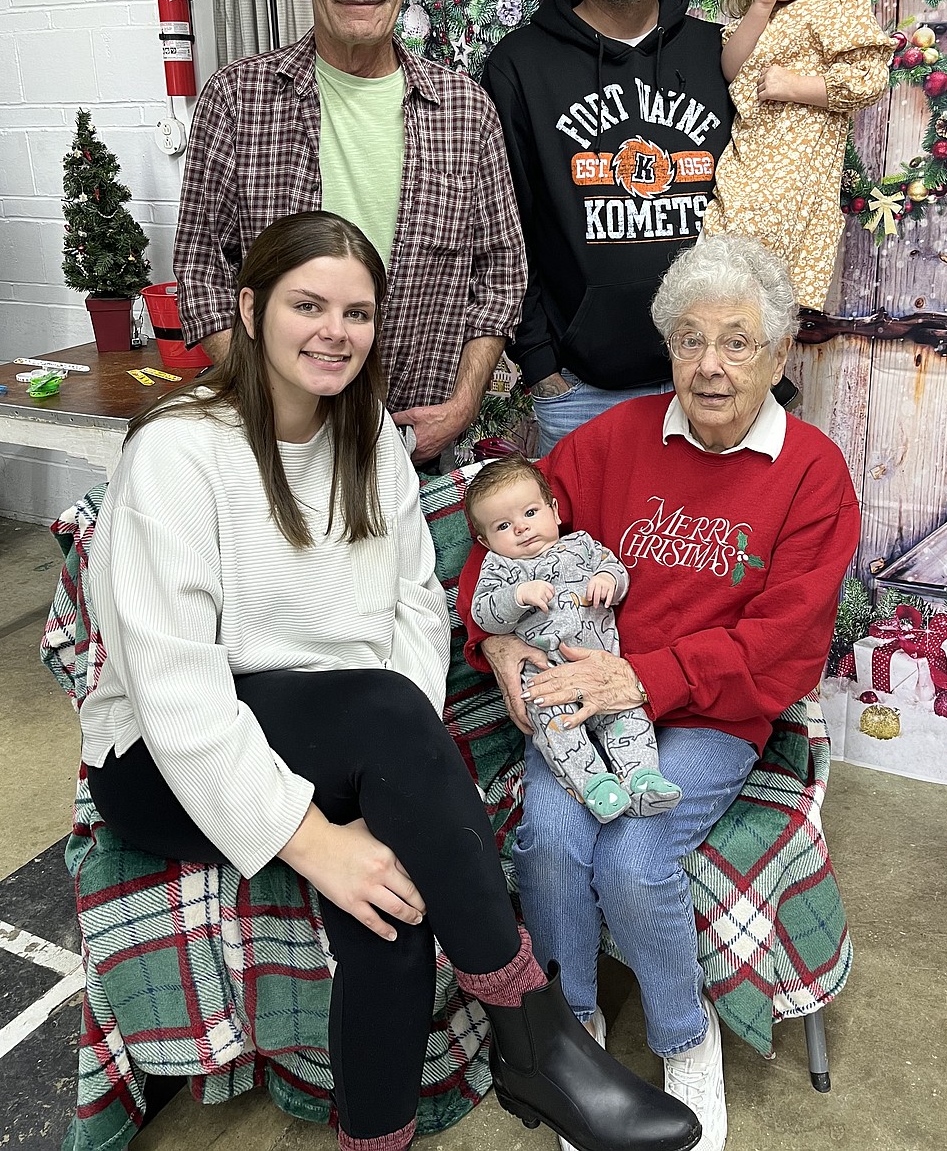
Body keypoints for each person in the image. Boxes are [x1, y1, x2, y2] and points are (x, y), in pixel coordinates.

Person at [80, 211, 699, 1151]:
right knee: (376, 749)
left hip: (343, 735)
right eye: (308, 304)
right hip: (165, 758)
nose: (335, 330)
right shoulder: (178, 450)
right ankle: (536, 1038)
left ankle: (380, 1137)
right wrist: (310, 839)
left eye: (357, 313)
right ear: (249, 310)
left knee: (397, 889)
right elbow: (172, 686)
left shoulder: (367, 432)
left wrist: (386, 776)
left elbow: (414, 605)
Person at [458, 233, 861, 1151]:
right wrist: (504, 641)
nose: (709, 367)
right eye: (688, 340)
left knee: (632, 857)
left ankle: (686, 1038)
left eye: (736, 342)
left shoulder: (812, 473)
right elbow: (502, 539)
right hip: (582, 699)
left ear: (780, 349)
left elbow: (786, 643)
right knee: (552, 836)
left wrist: (640, 676)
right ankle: (577, 1042)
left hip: (715, 710)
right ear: (665, 344)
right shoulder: (613, 441)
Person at [173, 0, 526, 466]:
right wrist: (267, 399)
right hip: (280, 449)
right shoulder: (239, 100)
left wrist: (462, 405)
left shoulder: (464, 110)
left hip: (423, 450)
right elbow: (201, 269)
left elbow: (501, 275)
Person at [482, 0, 732, 455]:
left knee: (705, 552)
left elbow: (766, 191)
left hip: (712, 380)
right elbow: (501, 222)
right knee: (581, 555)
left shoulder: (719, 53)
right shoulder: (520, 64)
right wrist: (537, 362)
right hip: (580, 392)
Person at [700, 0, 893, 312]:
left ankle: (767, 377)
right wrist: (760, 7)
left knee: (770, 298)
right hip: (744, 173)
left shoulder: (837, 8)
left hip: (797, 183)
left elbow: (869, 79)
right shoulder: (759, 13)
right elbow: (731, 68)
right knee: (720, 288)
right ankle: (742, 372)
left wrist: (796, 86)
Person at [465, 455, 680, 823]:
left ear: (554, 510)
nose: (521, 528)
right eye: (504, 525)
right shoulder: (499, 568)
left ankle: (643, 778)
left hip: (604, 668)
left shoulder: (582, 545)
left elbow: (617, 570)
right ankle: (596, 786)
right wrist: (516, 597)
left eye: (530, 513)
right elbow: (483, 612)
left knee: (627, 718)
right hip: (545, 677)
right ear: (485, 541)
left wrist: (609, 582)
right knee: (557, 732)